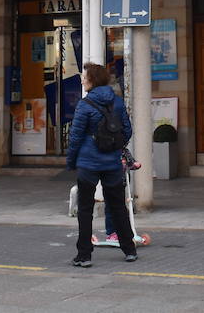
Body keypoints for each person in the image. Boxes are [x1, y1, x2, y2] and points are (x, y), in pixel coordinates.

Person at [66, 63, 137, 267]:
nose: (81, 79)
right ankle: (129, 249)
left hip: (88, 163)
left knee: (85, 209)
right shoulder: (117, 102)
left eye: (84, 76)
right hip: (113, 163)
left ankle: (84, 255)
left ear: (92, 80)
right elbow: (127, 130)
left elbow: (76, 137)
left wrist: (71, 161)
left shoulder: (85, 105)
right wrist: (114, 145)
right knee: (117, 207)